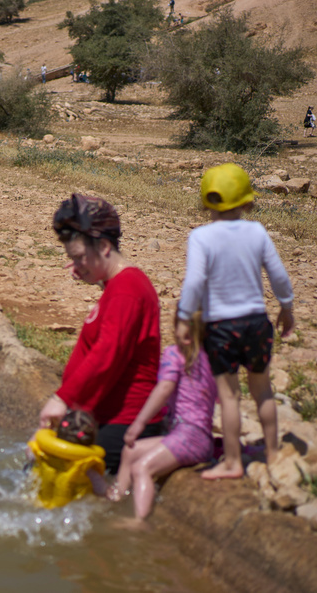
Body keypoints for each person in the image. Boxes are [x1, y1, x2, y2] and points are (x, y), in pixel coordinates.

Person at [177, 163, 294, 480]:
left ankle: (232, 462)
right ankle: (272, 452)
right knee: (263, 390)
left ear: (205, 202)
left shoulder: (200, 237)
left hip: (221, 328)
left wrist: (185, 317)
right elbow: (278, 275)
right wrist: (287, 307)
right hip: (256, 323)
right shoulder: (257, 231)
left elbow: (194, 282)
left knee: (229, 397)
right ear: (247, 200)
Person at [38, 194, 162, 475]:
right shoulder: (117, 287)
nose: (75, 265)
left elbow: (107, 354)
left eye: (80, 257)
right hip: (103, 416)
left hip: (124, 423)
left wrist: (62, 399)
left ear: (104, 246)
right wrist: (89, 270)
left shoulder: (128, 290)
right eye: (73, 259)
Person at [109, 310, 217, 521]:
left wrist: (139, 423)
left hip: (188, 438)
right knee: (130, 451)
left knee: (142, 468)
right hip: (196, 437)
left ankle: (139, 520)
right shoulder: (212, 360)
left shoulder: (175, 354)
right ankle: (115, 499)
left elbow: (164, 388)